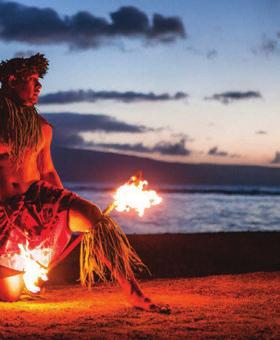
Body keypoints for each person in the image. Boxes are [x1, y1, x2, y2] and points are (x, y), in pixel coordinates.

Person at [0, 54, 168, 313]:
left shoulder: (42, 128)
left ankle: (133, 292)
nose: (39, 86)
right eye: (33, 80)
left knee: (94, 217)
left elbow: (47, 171)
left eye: (39, 81)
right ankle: (23, 276)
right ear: (12, 80)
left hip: (37, 200)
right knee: (9, 296)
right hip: (3, 211)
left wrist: (63, 206)